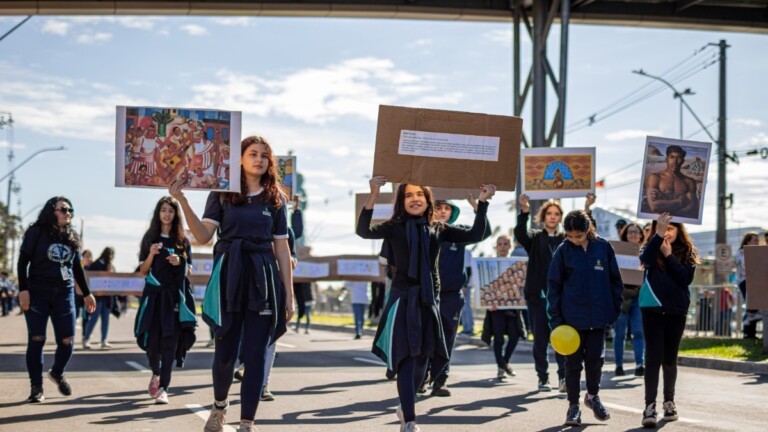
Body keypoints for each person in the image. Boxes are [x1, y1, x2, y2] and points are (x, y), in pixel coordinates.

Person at [170, 135, 294, 432]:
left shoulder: (276, 198)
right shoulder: (222, 193)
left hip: (263, 280)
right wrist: (182, 200)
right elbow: (202, 236)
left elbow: (282, 249)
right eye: (253, 153)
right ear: (239, 159)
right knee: (225, 354)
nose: (259, 159)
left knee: (255, 355)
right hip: (230, 277)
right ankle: (219, 406)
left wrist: (288, 295)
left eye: (265, 155)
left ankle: (248, 422)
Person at [357, 177, 495, 432]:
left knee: (424, 359)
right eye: (409, 195)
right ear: (402, 201)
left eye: (419, 194)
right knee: (407, 359)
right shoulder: (393, 227)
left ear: (427, 199)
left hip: (429, 299)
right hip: (402, 298)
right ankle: (409, 419)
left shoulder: (438, 228)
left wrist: (483, 203)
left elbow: (479, 233)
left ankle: (405, 406)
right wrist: (374, 193)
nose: (415, 199)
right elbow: (363, 230)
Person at [17, 196, 97, 403]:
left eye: (70, 209)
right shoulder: (36, 232)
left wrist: (87, 293)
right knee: (37, 339)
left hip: (64, 293)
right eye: (63, 209)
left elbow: (77, 268)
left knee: (67, 340)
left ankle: (57, 372)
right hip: (38, 292)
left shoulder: (71, 236)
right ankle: (36, 388)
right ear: (51, 210)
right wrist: (23, 289)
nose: (68, 213)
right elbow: (22, 262)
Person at [513, 192, 595, 392]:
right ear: (543, 216)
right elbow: (520, 233)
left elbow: (588, 234)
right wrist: (524, 210)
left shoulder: (567, 239)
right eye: (548, 213)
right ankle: (543, 378)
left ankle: (563, 378)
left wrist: (586, 208)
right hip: (538, 297)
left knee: (562, 337)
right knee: (540, 339)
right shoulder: (534, 238)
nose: (552, 216)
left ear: (560, 218)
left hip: (562, 297)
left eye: (556, 213)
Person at [547, 210, 623, 426]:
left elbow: (615, 281)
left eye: (578, 236)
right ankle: (573, 406)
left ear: (588, 229)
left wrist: (614, 309)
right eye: (569, 236)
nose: (573, 240)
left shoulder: (603, 247)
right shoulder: (563, 251)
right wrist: (556, 320)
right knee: (572, 365)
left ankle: (592, 396)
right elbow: (554, 287)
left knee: (595, 361)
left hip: (598, 317)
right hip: (571, 321)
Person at [423, 197, 490, 396]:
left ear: (452, 213)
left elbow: (484, 232)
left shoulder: (459, 232)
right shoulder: (424, 231)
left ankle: (440, 381)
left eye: (447, 209)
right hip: (427, 295)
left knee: (446, 340)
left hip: (452, 297)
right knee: (426, 338)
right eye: (438, 208)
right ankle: (421, 376)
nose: (443, 212)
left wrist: (477, 205)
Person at [134, 196, 198, 405]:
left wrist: (180, 261)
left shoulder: (183, 240)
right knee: (153, 345)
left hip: (174, 299)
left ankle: (164, 388)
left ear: (176, 215)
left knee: (170, 343)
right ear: (158, 213)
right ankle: (156, 371)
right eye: (163, 210)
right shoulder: (150, 238)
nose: (167, 214)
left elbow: (189, 270)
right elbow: (142, 271)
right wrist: (152, 255)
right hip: (154, 297)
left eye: (171, 211)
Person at [638, 212, 699, 428]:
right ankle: (649, 406)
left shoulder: (688, 252)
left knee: (670, 359)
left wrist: (670, 255)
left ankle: (669, 402)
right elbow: (645, 261)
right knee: (652, 358)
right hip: (652, 311)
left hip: (676, 312)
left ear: (679, 230)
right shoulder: (649, 248)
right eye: (664, 227)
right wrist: (658, 237)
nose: (668, 232)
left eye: (672, 228)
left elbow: (685, 278)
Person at [481, 235, 523, 382]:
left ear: (510, 246)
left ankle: (504, 362)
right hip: (495, 308)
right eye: (500, 244)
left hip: (512, 307)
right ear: (496, 246)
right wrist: (488, 303)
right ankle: (501, 367)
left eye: (506, 244)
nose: (503, 246)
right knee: (498, 339)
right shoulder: (489, 264)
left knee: (514, 336)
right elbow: (484, 285)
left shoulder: (516, 264)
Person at [614, 222, 646, 377]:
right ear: (625, 235)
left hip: (638, 297)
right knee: (619, 333)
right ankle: (618, 365)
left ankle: (640, 364)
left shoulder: (645, 252)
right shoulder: (618, 253)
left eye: (636, 232)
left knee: (639, 332)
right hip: (622, 297)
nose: (633, 234)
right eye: (630, 232)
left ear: (641, 235)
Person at [643, 145, 698, 219]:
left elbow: (692, 208)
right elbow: (654, 206)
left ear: (682, 161)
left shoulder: (689, 181)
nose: (675, 161)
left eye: (678, 158)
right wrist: (680, 202)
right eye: (672, 157)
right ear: (666, 159)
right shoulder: (655, 178)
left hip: (678, 222)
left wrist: (665, 207)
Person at [82, 247, 116, 349]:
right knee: (94, 318)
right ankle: (86, 339)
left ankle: (104, 340)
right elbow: (89, 275)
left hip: (107, 297)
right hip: (97, 297)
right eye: (110, 254)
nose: (111, 257)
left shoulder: (110, 265)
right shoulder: (97, 264)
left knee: (106, 319)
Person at [735, 232, 760, 339]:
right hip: (745, 281)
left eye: (758, 240)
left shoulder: (757, 253)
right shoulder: (741, 252)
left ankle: (750, 334)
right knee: (751, 306)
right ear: (748, 241)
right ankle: (747, 333)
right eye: (755, 240)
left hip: (755, 282)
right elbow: (746, 266)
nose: (757, 242)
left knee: (752, 306)